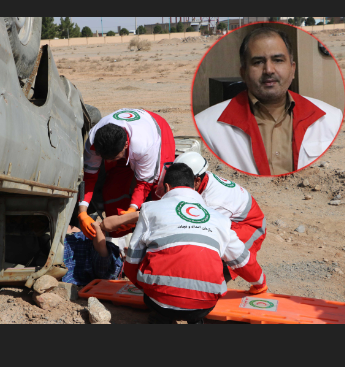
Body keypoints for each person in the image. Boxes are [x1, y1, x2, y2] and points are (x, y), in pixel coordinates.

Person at [124, 163, 268, 324]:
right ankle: (196, 320)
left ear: (166, 186)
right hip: (204, 305)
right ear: (194, 185)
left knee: (150, 252)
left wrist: (147, 288)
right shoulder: (220, 219)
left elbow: (132, 260)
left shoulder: (149, 209)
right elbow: (242, 260)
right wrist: (260, 283)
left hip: (159, 302)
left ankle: (161, 317)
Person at [195, 26, 343, 175]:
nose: (269, 70)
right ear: (243, 73)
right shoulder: (206, 127)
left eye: (278, 60)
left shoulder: (331, 119)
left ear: (292, 70)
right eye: (258, 62)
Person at [78, 108, 175, 239]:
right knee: (112, 187)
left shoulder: (145, 144)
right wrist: (82, 212)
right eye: (105, 158)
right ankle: (119, 239)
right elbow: (89, 177)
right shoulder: (94, 141)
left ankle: (161, 234)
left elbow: (144, 184)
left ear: (125, 145)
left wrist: (131, 211)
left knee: (161, 186)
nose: (108, 161)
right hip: (124, 139)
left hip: (156, 128)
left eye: (114, 158)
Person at [172, 152, 266, 281]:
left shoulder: (212, 202)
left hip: (250, 224)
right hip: (233, 216)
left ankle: (254, 282)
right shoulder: (202, 180)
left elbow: (208, 230)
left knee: (226, 258)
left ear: (197, 180)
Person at [63, 212, 140, 286]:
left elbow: (100, 239)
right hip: (74, 249)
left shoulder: (113, 265)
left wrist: (97, 226)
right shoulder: (116, 264)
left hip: (66, 251)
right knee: (75, 229)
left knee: (71, 229)